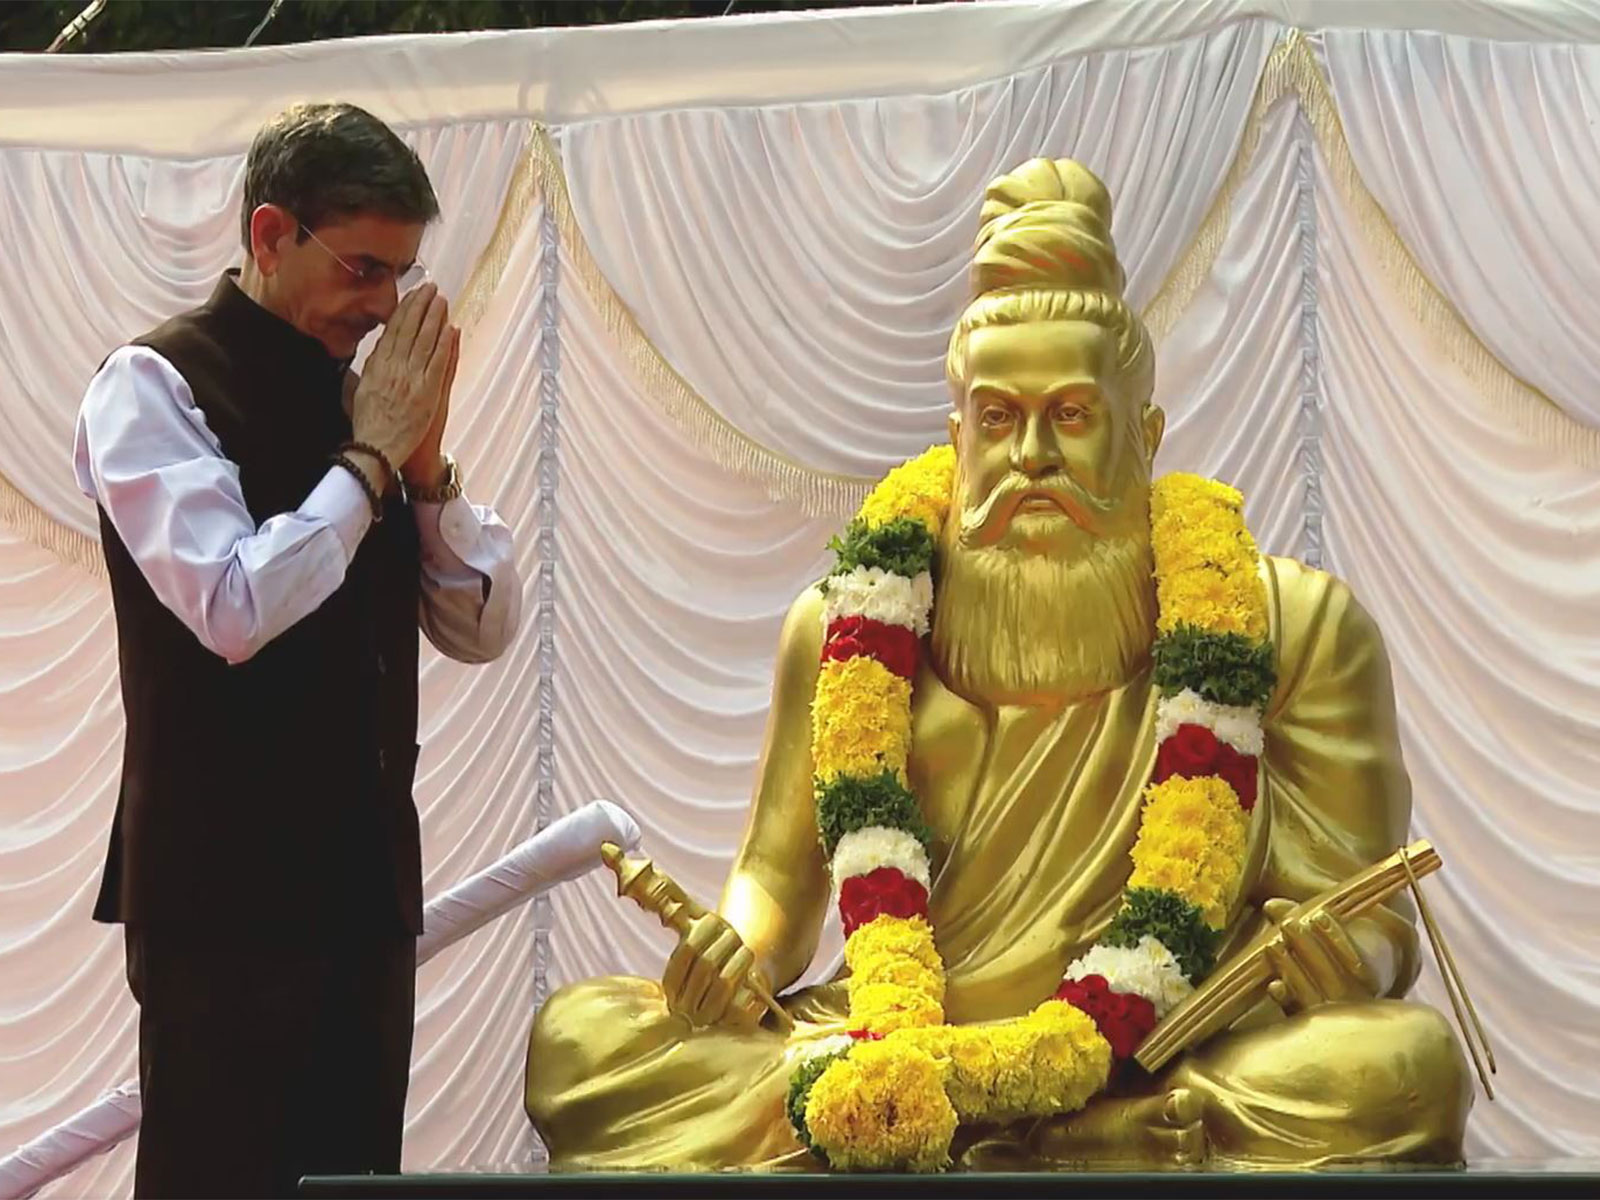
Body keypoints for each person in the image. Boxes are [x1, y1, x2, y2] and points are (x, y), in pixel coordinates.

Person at [525, 158, 1470, 1170]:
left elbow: (1371, 914)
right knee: (583, 1048)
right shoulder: (843, 626)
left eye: (1072, 415)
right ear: (957, 433)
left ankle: (980, 1129)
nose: (1032, 457)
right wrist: (735, 948)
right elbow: (773, 883)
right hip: (894, 1033)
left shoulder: (1291, 625)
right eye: (999, 418)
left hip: (1167, 1041)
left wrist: (1342, 961)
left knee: (1397, 1069)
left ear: (1145, 435)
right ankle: (1079, 1140)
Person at [72, 102, 521, 1198]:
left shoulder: (366, 401)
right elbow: (232, 606)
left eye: (402, 275)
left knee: (354, 1180)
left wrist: (425, 470)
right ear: (271, 236)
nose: (385, 307)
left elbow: (482, 628)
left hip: (364, 896)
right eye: (364, 269)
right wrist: (367, 462)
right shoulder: (153, 385)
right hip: (223, 907)